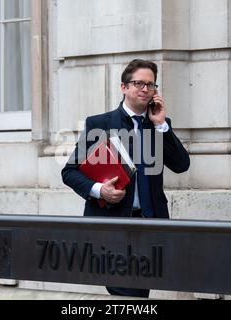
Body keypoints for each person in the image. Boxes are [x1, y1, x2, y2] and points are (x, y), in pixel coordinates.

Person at [61, 59, 190, 298]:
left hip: (150, 225)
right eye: (138, 83)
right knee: (126, 292)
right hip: (114, 224)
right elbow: (69, 172)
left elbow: (182, 165)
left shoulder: (159, 125)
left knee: (140, 291)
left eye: (151, 85)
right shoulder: (100, 124)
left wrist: (161, 125)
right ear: (123, 87)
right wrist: (100, 190)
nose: (145, 89)